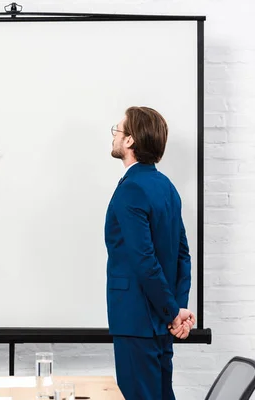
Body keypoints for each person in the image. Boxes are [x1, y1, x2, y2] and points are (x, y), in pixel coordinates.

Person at [104, 106, 196, 400]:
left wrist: (172, 312)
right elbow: (183, 255)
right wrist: (177, 310)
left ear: (130, 141)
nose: (115, 136)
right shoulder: (166, 187)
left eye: (117, 130)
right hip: (159, 323)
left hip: (136, 322)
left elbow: (144, 261)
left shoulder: (131, 189)